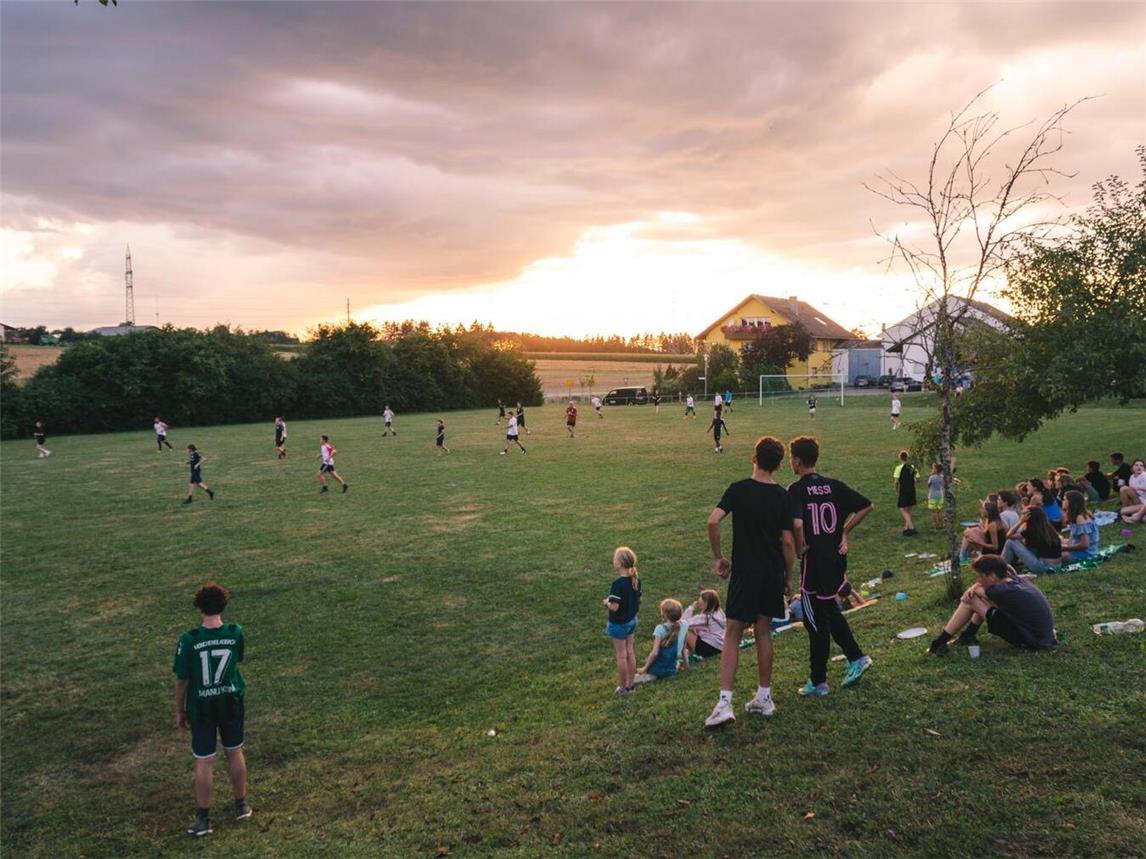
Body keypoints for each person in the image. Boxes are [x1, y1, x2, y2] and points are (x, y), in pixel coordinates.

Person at [703, 436, 797, 727]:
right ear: (779, 465)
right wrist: (789, 576)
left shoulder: (739, 490)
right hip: (772, 572)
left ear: (753, 457)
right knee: (763, 631)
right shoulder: (783, 496)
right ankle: (764, 697)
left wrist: (719, 557)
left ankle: (724, 703)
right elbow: (789, 542)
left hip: (745, 571)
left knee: (732, 632)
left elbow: (713, 521)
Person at [788, 435, 874, 696]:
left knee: (814, 622)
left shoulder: (796, 490)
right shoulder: (833, 485)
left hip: (815, 563)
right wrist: (844, 532)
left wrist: (800, 545)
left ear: (798, 461)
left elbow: (798, 524)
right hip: (835, 560)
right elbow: (866, 506)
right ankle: (856, 657)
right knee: (827, 610)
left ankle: (819, 680)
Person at [173, 581, 251, 837]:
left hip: (203, 707)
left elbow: (182, 680)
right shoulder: (234, 632)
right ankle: (241, 805)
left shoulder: (189, 640)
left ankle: (203, 819)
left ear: (199, 607)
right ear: (223, 604)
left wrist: (180, 710)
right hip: (231, 701)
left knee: (205, 760)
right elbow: (237, 659)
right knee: (235, 751)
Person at [928, 555, 1056, 654]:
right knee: (979, 598)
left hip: (1032, 641)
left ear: (993, 576)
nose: (978, 580)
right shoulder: (1013, 579)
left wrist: (971, 590)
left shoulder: (998, 590)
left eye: (980, 576)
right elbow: (981, 587)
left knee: (971, 600)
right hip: (1044, 637)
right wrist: (976, 587)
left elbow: (971, 594)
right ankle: (968, 635)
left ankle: (940, 642)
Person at [603, 546, 641, 696]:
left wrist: (606, 602)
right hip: (632, 620)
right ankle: (631, 685)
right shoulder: (636, 580)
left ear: (619, 563)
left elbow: (615, 607)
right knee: (630, 652)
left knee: (621, 655)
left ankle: (623, 688)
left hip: (619, 624)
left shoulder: (618, 584)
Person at [635, 599, 688, 682]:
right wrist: (686, 665)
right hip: (673, 665)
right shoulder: (685, 624)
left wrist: (644, 668)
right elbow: (684, 649)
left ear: (664, 614)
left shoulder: (660, 629)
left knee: (639, 674)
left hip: (660, 667)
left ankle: (650, 674)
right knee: (650, 658)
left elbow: (655, 653)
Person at [1001, 506, 1063, 574]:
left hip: (1044, 567)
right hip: (1057, 566)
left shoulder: (1032, 531)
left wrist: (1021, 521)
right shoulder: (1048, 529)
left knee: (1010, 542)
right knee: (1017, 542)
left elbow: (1009, 536)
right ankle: (1009, 566)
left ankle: (1000, 568)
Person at [682, 590, 726, 660]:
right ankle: (686, 653)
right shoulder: (719, 612)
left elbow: (682, 623)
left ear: (706, 603)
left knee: (683, 630)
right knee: (692, 629)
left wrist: (691, 608)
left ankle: (684, 653)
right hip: (721, 647)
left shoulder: (706, 617)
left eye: (700, 602)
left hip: (709, 649)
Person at [1060, 490, 1099, 562]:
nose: (1062, 501)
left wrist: (1065, 548)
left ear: (1071, 502)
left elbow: (1085, 545)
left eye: (1065, 499)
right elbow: (1072, 540)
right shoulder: (1075, 516)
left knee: (1057, 556)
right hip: (1079, 549)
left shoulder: (1080, 518)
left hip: (1087, 553)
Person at [894, 450, 918, 536]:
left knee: (902, 508)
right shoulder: (913, 467)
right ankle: (906, 527)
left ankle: (911, 527)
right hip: (912, 490)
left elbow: (896, 481)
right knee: (909, 508)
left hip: (903, 490)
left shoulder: (898, 468)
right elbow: (917, 479)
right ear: (907, 457)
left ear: (900, 458)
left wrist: (896, 489)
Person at [926, 463, 943, 529]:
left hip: (932, 496)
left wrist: (931, 474)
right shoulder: (942, 477)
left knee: (933, 511)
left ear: (935, 470)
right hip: (940, 495)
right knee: (940, 511)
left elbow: (928, 485)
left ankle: (934, 524)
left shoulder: (932, 477)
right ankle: (942, 524)